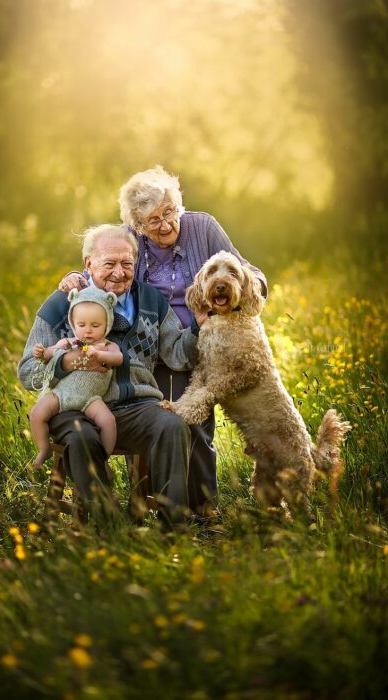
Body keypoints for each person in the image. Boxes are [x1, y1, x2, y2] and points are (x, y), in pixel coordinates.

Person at [59, 165, 267, 517]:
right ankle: (150, 503)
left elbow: (250, 273)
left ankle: (203, 508)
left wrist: (248, 292)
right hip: (140, 346)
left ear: (179, 205)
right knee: (142, 408)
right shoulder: (130, 237)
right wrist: (74, 278)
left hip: (194, 345)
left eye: (170, 213)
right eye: (152, 221)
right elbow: (106, 266)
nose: (166, 224)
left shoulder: (203, 228)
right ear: (137, 226)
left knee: (192, 418)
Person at [18, 224, 201, 525]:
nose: (119, 272)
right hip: (73, 406)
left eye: (127, 263)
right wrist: (66, 363)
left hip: (135, 406)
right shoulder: (62, 303)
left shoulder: (152, 301)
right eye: (109, 263)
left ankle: (174, 531)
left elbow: (178, 355)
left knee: (172, 425)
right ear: (88, 263)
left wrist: (198, 326)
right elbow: (27, 371)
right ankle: (109, 528)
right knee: (81, 437)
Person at [29, 287, 123, 468]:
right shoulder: (69, 342)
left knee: (108, 422)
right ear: (73, 323)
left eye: (95, 326)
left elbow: (118, 359)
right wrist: (42, 353)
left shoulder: (107, 345)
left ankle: (103, 459)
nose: (87, 331)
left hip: (91, 399)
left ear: (107, 323)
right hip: (61, 394)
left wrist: (100, 355)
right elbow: (50, 355)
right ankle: (43, 448)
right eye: (81, 325)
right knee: (36, 414)